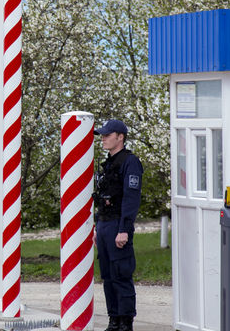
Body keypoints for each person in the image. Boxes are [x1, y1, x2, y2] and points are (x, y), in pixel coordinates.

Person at [93, 119, 143, 331]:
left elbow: (131, 199)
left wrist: (123, 229)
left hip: (118, 224)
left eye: (107, 135)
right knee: (107, 276)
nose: (103, 138)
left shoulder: (130, 162)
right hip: (104, 224)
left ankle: (125, 322)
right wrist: (97, 227)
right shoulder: (108, 164)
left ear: (120, 137)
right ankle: (114, 320)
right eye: (102, 135)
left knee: (121, 274)